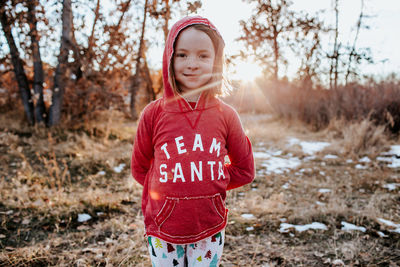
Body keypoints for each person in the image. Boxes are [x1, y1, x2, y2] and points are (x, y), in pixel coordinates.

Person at [131, 16, 255, 267]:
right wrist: (168, 193)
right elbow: (140, 168)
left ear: (216, 61)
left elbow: (244, 170)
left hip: (209, 227)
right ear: (169, 58)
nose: (192, 64)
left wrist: (208, 184)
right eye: (182, 55)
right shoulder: (153, 114)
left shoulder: (227, 115)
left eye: (203, 56)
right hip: (163, 229)